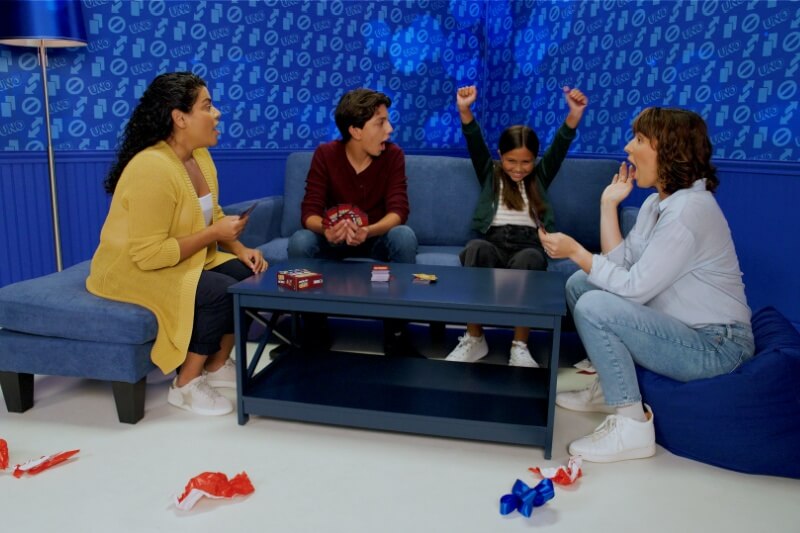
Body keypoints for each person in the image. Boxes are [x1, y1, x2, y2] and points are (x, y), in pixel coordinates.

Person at [541, 107, 754, 462]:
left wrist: (577, 251)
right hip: (683, 329)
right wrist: (608, 205)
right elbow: (620, 265)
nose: (628, 147)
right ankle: (605, 388)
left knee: (594, 304)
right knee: (582, 285)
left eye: (639, 139)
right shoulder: (658, 203)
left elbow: (634, 288)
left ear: (669, 150)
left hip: (718, 346)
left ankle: (633, 427)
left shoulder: (688, 211)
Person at [86, 72, 268, 416]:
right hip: (131, 269)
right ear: (179, 117)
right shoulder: (152, 168)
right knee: (219, 291)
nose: (217, 114)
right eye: (208, 106)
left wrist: (241, 250)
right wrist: (215, 235)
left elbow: (211, 213)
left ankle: (216, 364)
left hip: (180, 257)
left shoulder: (200, 157)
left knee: (249, 277)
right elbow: (149, 254)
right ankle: (185, 383)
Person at [445, 85, 588, 367]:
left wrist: (574, 114)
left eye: (526, 162)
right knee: (475, 248)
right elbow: (474, 140)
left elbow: (560, 146)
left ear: (535, 160)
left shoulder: (540, 176)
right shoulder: (491, 172)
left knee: (532, 258)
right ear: (500, 155)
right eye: (512, 161)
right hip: (493, 241)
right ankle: (475, 339)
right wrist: (465, 109)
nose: (519, 168)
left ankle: (519, 344)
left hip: (528, 243)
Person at [287, 88, 419, 356]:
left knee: (404, 236)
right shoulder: (325, 154)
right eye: (381, 123)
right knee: (301, 241)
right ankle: (314, 331)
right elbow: (308, 212)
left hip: (375, 238)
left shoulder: (393, 156)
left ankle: (396, 333)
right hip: (335, 240)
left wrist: (367, 231)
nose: (390, 130)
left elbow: (398, 211)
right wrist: (327, 230)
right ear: (356, 131)